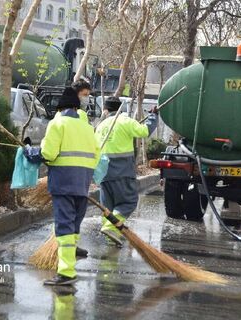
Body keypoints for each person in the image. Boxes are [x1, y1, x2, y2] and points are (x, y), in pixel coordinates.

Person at [39, 87, 99, 286]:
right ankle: (69, 265)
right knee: (73, 225)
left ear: (60, 108)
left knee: (64, 227)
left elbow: (48, 154)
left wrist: (33, 153)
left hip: (63, 182)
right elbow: (96, 156)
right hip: (83, 183)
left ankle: (66, 273)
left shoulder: (57, 123)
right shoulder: (88, 127)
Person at [95, 96, 158, 246]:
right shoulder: (125, 121)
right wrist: (153, 117)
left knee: (108, 207)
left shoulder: (101, 125)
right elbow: (144, 131)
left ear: (106, 110)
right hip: (121, 172)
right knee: (128, 202)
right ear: (120, 109)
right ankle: (110, 228)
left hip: (103, 174)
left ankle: (110, 235)